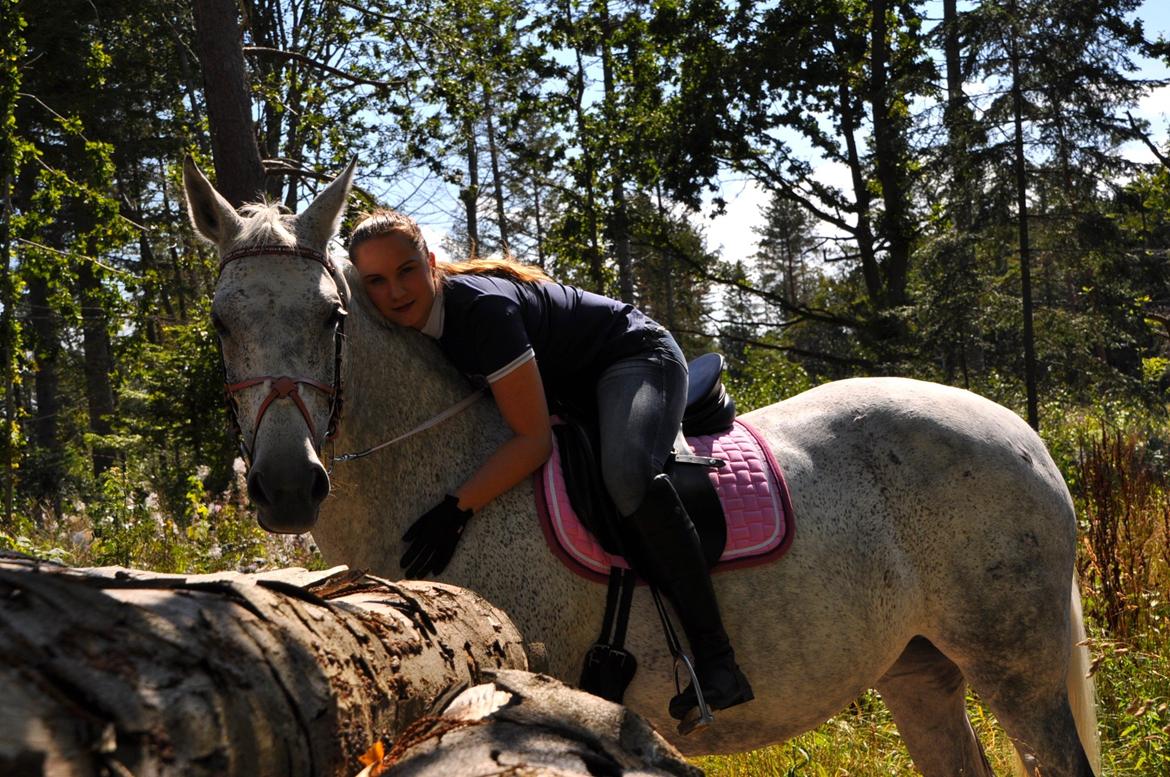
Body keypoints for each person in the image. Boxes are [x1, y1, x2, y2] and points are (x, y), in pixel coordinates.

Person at [348, 209, 753, 723]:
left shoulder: (480, 313)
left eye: (407, 270)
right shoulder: (412, 324)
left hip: (634, 357)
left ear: (430, 261)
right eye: (377, 282)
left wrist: (458, 507)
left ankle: (718, 660)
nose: (396, 291)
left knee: (629, 476)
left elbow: (533, 441)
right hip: (576, 384)